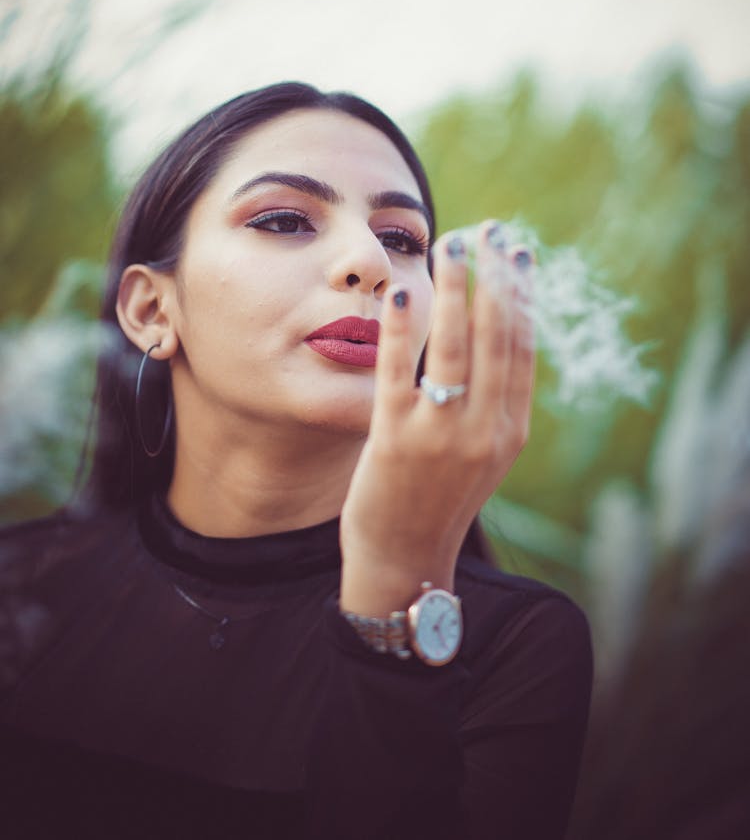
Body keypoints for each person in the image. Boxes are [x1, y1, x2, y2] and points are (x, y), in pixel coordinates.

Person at [0, 81, 592, 839]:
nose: (369, 261)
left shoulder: (516, 646)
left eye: (403, 239)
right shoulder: (21, 585)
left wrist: (393, 588)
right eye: (284, 220)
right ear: (152, 309)